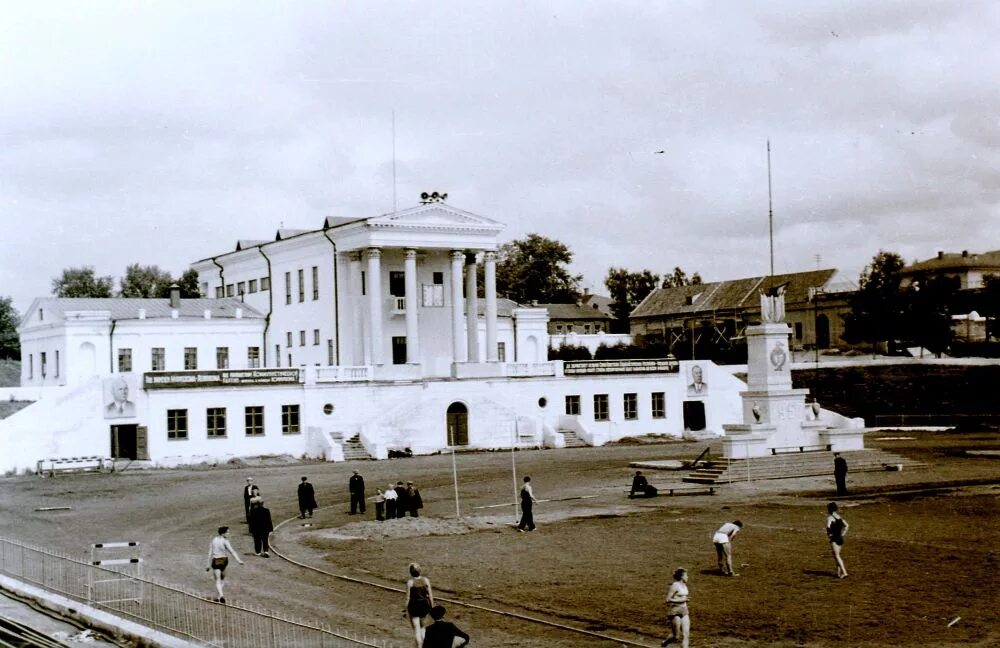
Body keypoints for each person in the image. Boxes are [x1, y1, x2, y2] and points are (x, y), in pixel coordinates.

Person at [206, 526, 243, 603]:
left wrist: (207, 564)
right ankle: (220, 596)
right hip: (224, 561)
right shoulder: (225, 541)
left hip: (216, 560)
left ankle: (221, 595)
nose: (229, 534)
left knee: (218, 580)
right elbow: (232, 551)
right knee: (222, 579)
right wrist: (238, 560)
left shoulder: (214, 540)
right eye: (227, 532)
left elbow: (210, 553)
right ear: (223, 533)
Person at [404, 563, 434, 648]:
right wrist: (432, 607)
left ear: (410, 572)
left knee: (417, 630)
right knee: (423, 628)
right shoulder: (425, 580)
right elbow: (430, 596)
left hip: (414, 607)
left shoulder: (410, 582)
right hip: (424, 606)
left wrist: (405, 610)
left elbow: (408, 598)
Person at [662, 567, 690, 647]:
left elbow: (683, 598)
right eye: (686, 575)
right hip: (675, 611)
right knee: (676, 637)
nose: (687, 577)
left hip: (684, 610)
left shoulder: (684, 586)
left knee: (686, 634)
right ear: (681, 577)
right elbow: (667, 599)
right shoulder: (675, 586)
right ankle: (664, 643)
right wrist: (681, 600)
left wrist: (684, 600)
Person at [826, 502, 849, 579]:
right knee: (836, 556)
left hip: (834, 539)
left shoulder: (830, 518)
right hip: (840, 538)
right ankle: (838, 573)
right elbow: (847, 526)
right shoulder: (839, 517)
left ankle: (844, 572)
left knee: (837, 556)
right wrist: (843, 534)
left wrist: (829, 535)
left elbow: (828, 527)